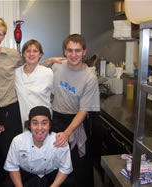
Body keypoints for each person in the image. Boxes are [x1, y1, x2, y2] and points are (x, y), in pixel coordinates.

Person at [0, 16, 65, 187]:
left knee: (13, 155)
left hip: (11, 111)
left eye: (0, 34)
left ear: (4, 36)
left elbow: (30, 65)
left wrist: (48, 62)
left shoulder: (13, 56)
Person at [51, 34, 100, 186]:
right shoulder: (56, 67)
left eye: (77, 51)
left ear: (84, 52)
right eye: (70, 50)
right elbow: (33, 68)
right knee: (57, 166)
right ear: (64, 52)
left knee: (79, 167)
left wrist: (67, 133)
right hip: (56, 120)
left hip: (76, 123)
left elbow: (84, 110)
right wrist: (50, 60)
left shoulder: (89, 77)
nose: (73, 55)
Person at [4, 106, 73, 187]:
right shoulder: (18, 141)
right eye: (35, 123)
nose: (39, 128)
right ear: (29, 125)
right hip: (26, 175)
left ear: (50, 125)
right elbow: (12, 167)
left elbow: (65, 168)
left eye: (44, 123)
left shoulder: (59, 141)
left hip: (52, 175)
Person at [15, 40, 53, 129]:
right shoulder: (16, 73)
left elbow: (58, 95)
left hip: (43, 122)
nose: (31, 54)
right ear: (23, 54)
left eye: (35, 51)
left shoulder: (48, 73)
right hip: (24, 121)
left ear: (40, 54)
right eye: (28, 51)